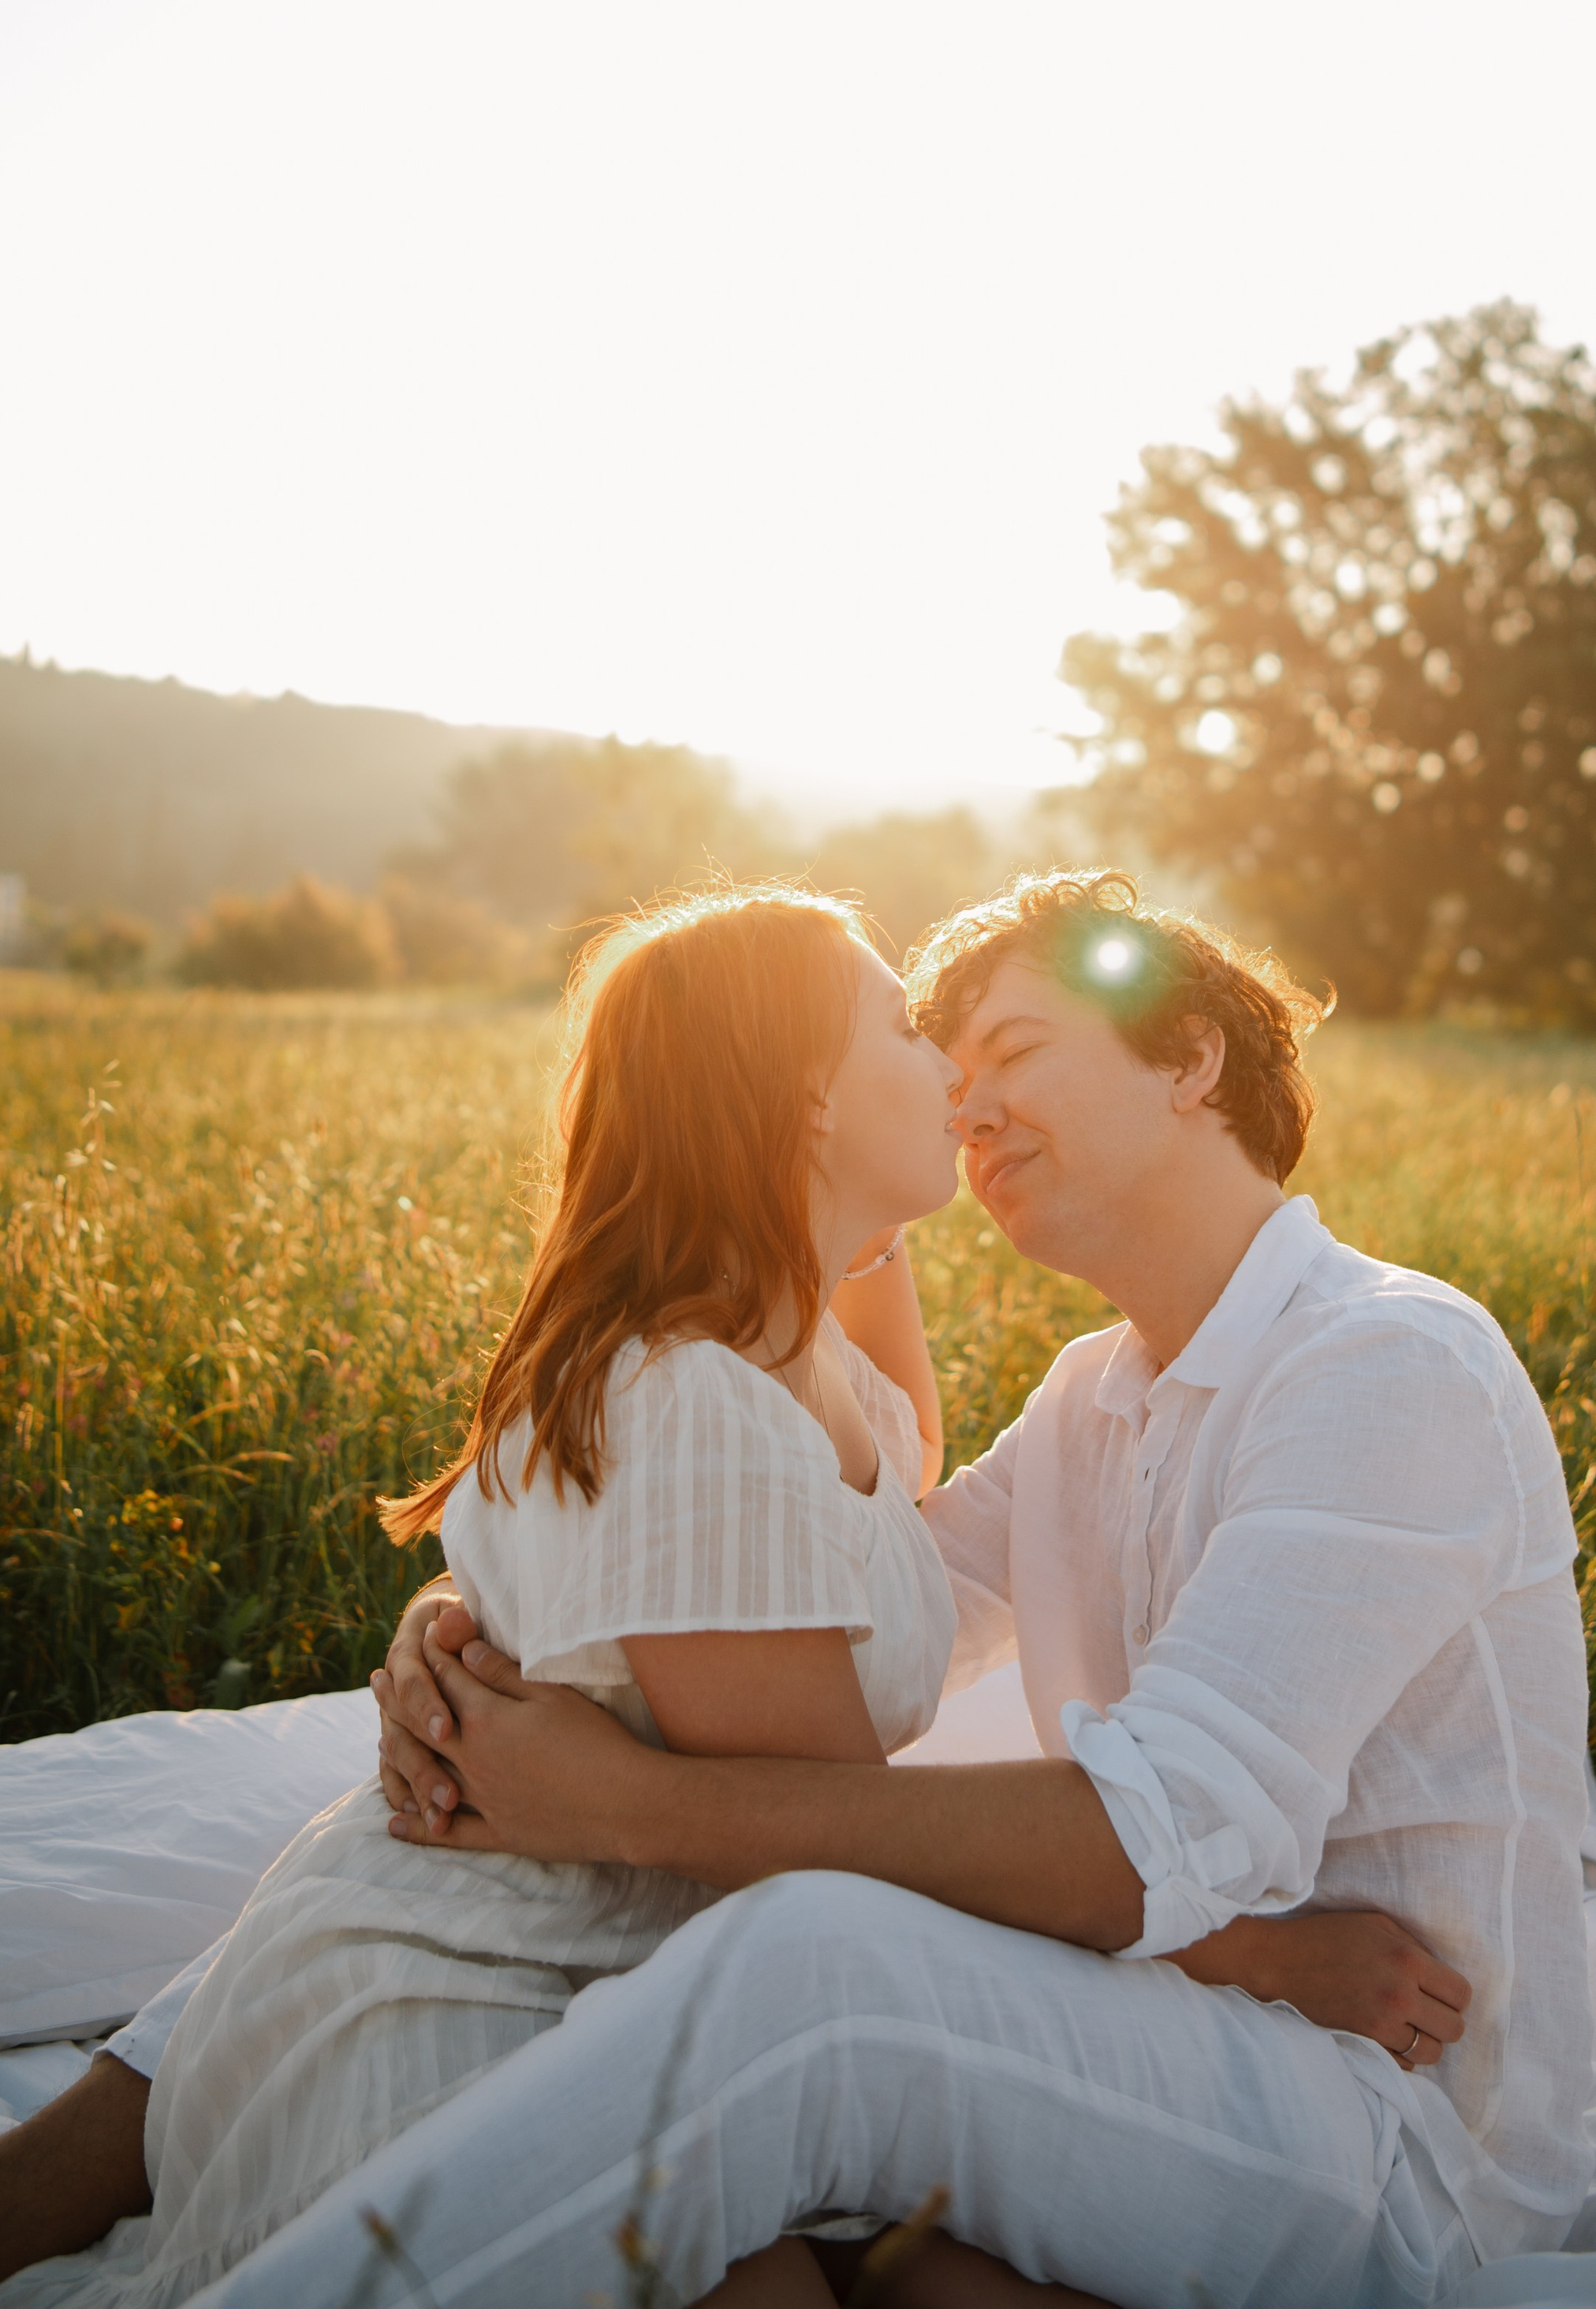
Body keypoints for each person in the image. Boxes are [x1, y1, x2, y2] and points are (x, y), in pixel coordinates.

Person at [0, 877, 1473, 2309]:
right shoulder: (996, 1398)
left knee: (885, 2226)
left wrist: (579, 1739)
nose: (962, 1093)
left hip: (668, 1984)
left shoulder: (1350, 1361)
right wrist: (486, 1617)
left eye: (1006, 1049)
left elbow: (881, 1537)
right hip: (511, 1998)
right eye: (921, 1041)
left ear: (1191, 1062)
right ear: (800, 1096)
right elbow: (841, 1789)